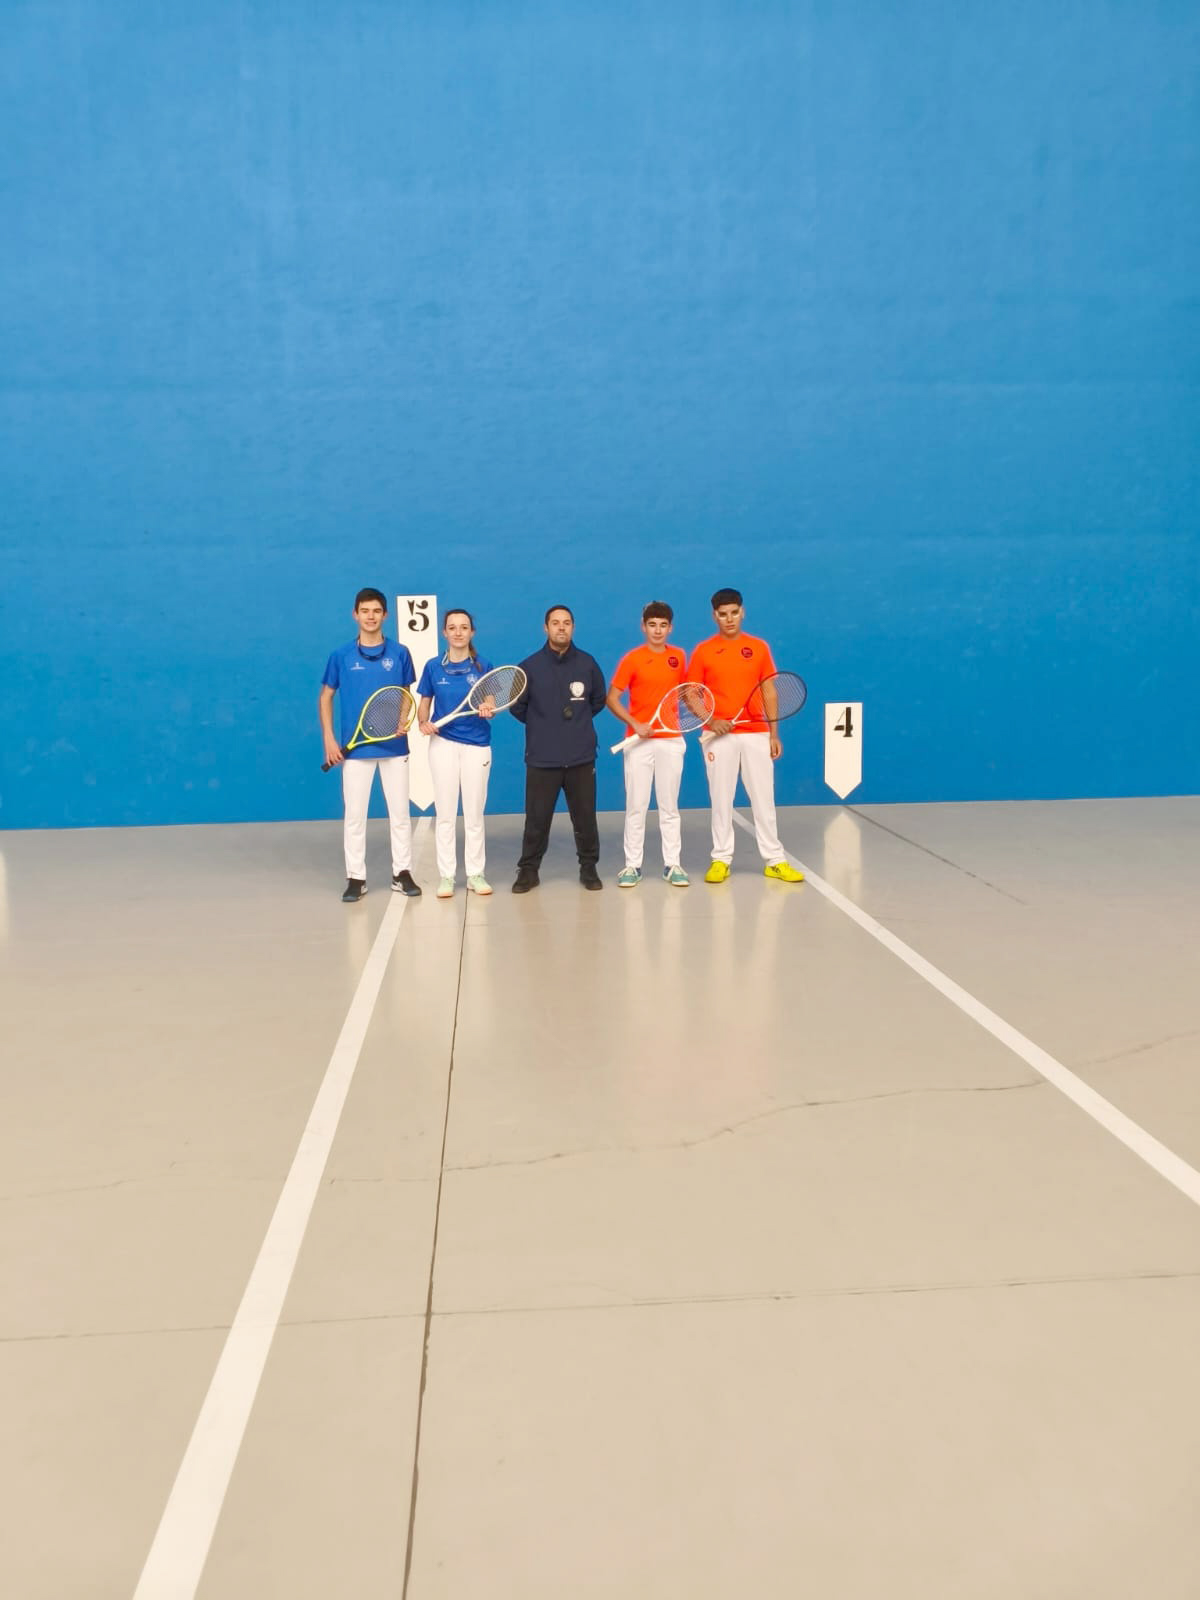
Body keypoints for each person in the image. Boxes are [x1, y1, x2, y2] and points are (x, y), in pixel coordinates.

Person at [687, 587, 805, 884]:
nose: (729, 619)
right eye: (723, 614)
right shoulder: (703, 651)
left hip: (756, 733)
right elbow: (691, 694)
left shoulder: (759, 648)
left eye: (734, 613)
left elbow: (769, 691)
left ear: (743, 612)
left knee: (764, 798)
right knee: (721, 799)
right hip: (718, 737)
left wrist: (773, 733)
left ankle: (774, 860)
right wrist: (711, 720)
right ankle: (721, 859)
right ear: (714, 616)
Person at [319, 587, 422, 903]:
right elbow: (326, 696)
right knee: (355, 816)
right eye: (365, 611)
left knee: (400, 814)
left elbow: (405, 693)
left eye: (376, 611)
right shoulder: (341, 656)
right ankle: (356, 877)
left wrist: (402, 721)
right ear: (355, 615)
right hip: (355, 749)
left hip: (394, 748)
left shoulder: (400, 653)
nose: (371, 616)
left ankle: (401, 873)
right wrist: (329, 739)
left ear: (385, 615)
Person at [509, 605, 607, 892]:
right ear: (546, 628)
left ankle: (589, 868)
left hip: (581, 757)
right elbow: (517, 707)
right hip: (542, 757)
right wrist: (545, 726)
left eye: (566, 623)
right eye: (555, 623)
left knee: (585, 818)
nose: (561, 627)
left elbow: (598, 701)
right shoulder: (528, 667)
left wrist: (575, 725)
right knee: (536, 820)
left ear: (573, 627)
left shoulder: (588, 664)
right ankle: (528, 870)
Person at [606, 600, 691, 888]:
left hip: (671, 740)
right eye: (652, 625)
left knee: (670, 807)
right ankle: (632, 866)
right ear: (643, 627)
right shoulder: (632, 659)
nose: (657, 630)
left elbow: (686, 693)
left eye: (663, 625)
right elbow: (611, 698)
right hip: (638, 743)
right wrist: (635, 723)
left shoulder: (679, 656)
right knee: (636, 806)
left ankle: (673, 864)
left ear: (670, 628)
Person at [416, 608, 497, 899]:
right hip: (443, 745)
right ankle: (447, 876)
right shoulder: (433, 667)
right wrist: (423, 722)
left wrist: (488, 708)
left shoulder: (483, 665)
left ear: (471, 632)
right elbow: (424, 704)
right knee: (446, 814)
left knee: (474, 814)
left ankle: (476, 874)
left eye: (464, 627)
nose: (458, 632)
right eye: (452, 627)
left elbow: (491, 701)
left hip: (477, 746)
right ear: (445, 633)